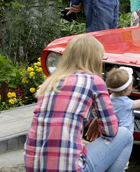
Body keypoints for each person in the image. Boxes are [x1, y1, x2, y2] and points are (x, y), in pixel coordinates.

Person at [24, 35, 132, 172]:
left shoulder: (50, 83)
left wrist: (95, 121)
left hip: (33, 167)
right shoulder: (94, 81)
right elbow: (111, 131)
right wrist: (100, 121)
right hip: (70, 169)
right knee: (125, 135)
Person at [105, 66, 140, 133]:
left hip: (113, 130)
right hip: (124, 134)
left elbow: (121, 90)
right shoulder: (125, 103)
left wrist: (129, 89)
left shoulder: (110, 98)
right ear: (127, 88)